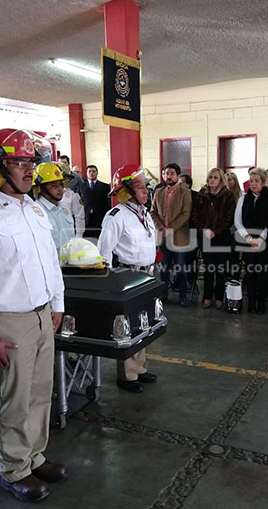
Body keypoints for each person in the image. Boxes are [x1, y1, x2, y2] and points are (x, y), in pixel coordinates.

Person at [0, 128, 67, 502]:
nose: (29, 170)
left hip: (41, 317)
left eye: (30, 162)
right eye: (19, 162)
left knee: (39, 394)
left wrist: (57, 304)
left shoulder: (34, 210)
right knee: (11, 400)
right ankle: (14, 468)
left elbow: (49, 261)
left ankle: (34, 457)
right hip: (7, 321)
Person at [97, 164, 158, 394]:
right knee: (128, 326)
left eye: (145, 186)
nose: (145, 190)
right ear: (127, 190)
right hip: (128, 276)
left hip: (147, 274)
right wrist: (106, 282)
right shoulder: (116, 216)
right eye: (140, 186)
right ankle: (127, 375)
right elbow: (104, 251)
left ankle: (140, 368)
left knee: (144, 323)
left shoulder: (144, 213)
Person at [192, 168, 236, 309]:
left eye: (215, 177)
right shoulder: (202, 194)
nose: (212, 180)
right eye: (210, 177)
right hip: (205, 236)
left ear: (221, 180)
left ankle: (219, 297)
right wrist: (204, 229)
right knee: (209, 268)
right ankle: (207, 296)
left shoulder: (227, 195)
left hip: (221, 236)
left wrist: (216, 231)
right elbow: (195, 215)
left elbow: (229, 217)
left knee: (220, 269)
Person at [151, 163, 192, 306]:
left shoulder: (185, 192)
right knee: (164, 268)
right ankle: (163, 295)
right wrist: (160, 227)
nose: (168, 176)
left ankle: (183, 295)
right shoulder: (158, 192)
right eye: (166, 173)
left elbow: (186, 214)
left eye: (171, 174)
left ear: (178, 176)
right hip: (162, 236)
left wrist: (171, 229)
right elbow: (153, 212)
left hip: (178, 236)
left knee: (181, 267)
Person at [234, 167, 268, 314]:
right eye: (251, 181)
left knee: (261, 274)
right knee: (250, 274)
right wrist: (248, 238)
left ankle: (261, 303)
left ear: (263, 182)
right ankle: (251, 302)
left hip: (263, 242)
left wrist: (261, 238)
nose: (253, 184)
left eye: (257, 181)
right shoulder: (243, 199)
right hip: (247, 241)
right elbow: (238, 221)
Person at [32, 162, 75, 254]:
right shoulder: (34, 213)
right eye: (53, 185)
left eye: (61, 184)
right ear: (41, 189)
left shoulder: (64, 209)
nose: (60, 189)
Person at [81, 164, 111, 238]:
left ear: (97, 173)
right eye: (89, 171)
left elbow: (107, 203)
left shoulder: (105, 186)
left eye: (93, 171)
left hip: (100, 218)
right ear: (86, 173)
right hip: (86, 218)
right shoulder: (81, 186)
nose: (91, 173)